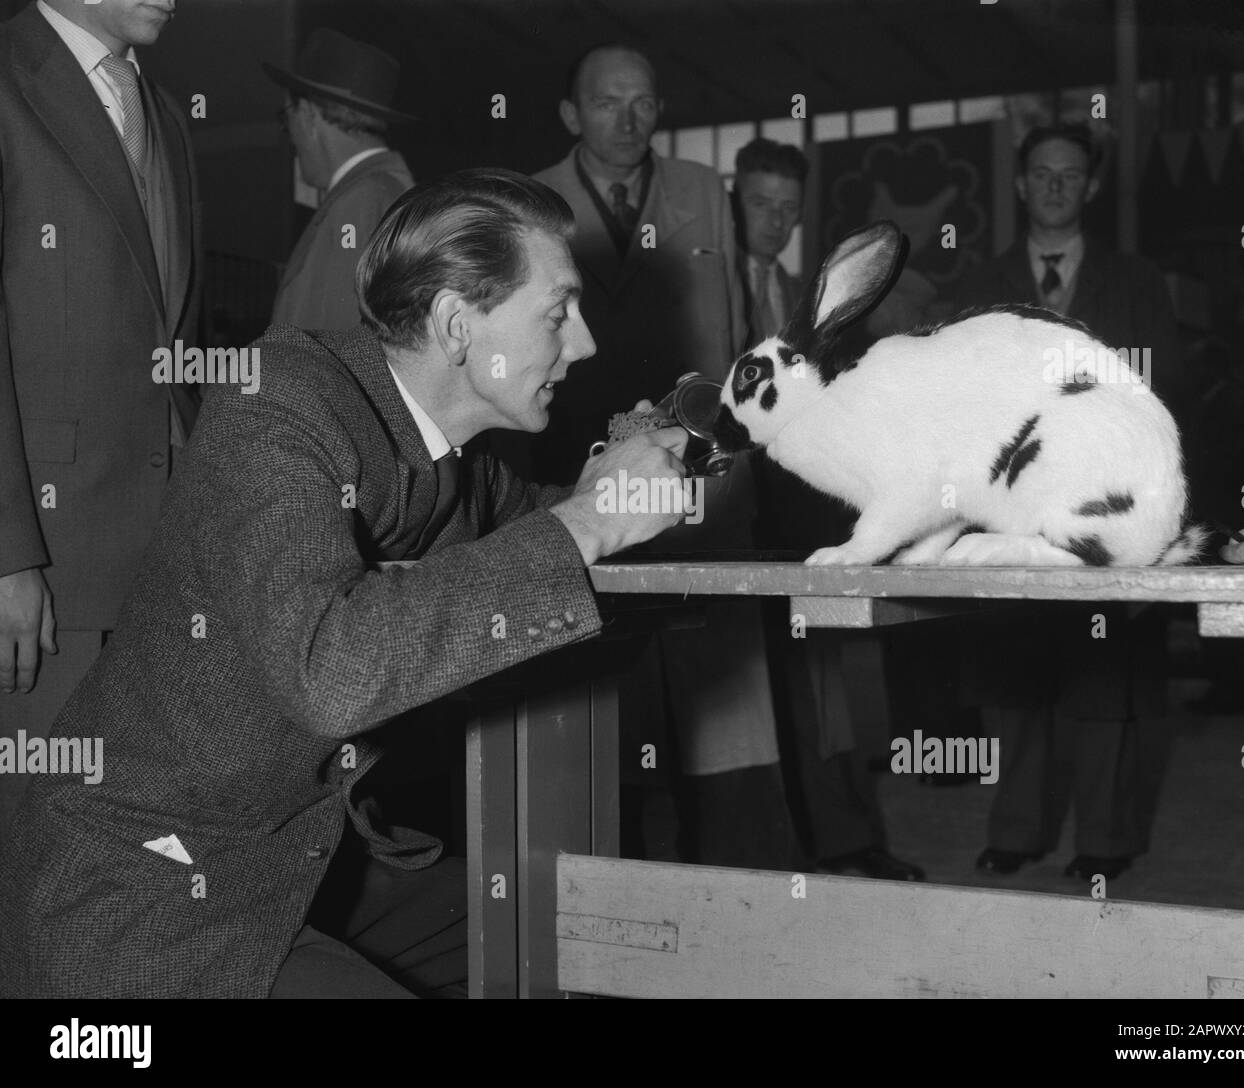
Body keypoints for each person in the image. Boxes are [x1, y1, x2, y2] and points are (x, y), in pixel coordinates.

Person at [0, 169, 692, 998]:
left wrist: (671, 462)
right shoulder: (279, 405)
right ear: (455, 323)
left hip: (303, 853)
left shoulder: (458, 464)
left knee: (578, 933)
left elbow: (553, 542)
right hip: (143, 889)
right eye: (557, 313)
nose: (584, 344)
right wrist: (590, 521)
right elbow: (332, 671)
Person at [525, 44, 798, 871]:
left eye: (644, 101)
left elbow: (730, 337)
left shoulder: (700, 193)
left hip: (702, 479)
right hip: (584, 481)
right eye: (608, 102)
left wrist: (726, 449)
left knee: (726, 707)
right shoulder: (533, 201)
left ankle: (745, 893)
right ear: (572, 115)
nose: (629, 118)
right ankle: (611, 899)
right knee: (610, 707)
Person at [951, 123, 1181, 882]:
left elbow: (1167, 410)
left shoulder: (1138, 284)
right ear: (1020, 187)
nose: (1055, 186)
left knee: (1104, 680)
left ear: (1090, 187)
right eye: (1041, 173)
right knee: (1016, 676)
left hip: (1105, 517)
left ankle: (1107, 841)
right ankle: (1016, 830)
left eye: (1069, 174)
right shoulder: (978, 290)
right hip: (1012, 516)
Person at [0, 0, 202, 843]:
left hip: (158, 565)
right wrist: (7, 559)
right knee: (33, 861)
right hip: (43, 574)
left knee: (126, 867)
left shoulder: (162, 109)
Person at [733, 138, 923, 880]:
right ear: (732, 202)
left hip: (805, 518)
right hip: (734, 518)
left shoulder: (806, 300)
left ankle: (848, 838)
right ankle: (773, 849)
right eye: (759, 204)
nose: (775, 222)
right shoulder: (712, 287)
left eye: (787, 208)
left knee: (823, 681)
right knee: (746, 691)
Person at [267, 29, 416, 330]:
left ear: (307, 115)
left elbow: (331, 344)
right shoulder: (385, 192)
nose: (289, 136)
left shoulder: (361, 201)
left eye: (287, 119)